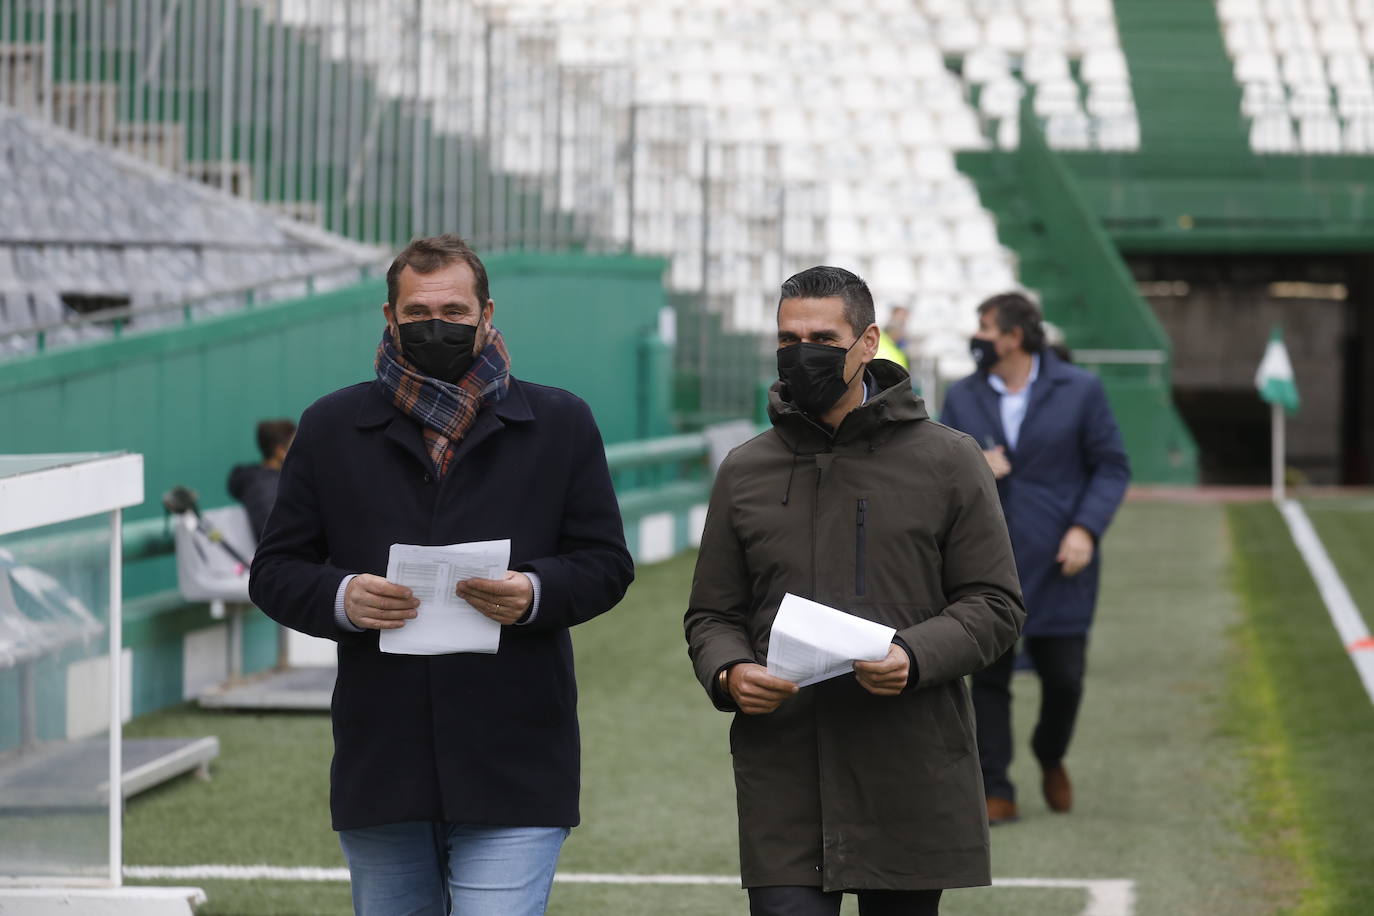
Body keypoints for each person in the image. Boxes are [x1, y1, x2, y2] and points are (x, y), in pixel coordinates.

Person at [248, 234, 634, 916]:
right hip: (382, 759)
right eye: (419, 311)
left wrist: (534, 592)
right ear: (389, 317)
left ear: (488, 314)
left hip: (517, 755)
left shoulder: (560, 422)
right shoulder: (332, 426)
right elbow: (275, 571)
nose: (437, 325)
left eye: (455, 311)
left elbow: (605, 564)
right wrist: (342, 597)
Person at [684, 266, 1025, 916]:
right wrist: (728, 671)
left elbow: (996, 604)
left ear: (867, 342)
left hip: (910, 766)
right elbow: (712, 613)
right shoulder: (745, 470)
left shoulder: (950, 461)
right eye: (788, 338)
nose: (801, 353)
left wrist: (913, 655)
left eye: (821, 336)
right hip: (784, 769)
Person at [939, 292, 1130, 826]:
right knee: (989, 679)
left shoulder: (1081, 390)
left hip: (1061, 560)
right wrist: (975, 464)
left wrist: (1085, 530)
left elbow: (1111, 466)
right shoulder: (962, 396)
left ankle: (1050, 755)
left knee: (1064, 679)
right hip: (984, 562)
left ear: (1014, 336)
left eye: (984, 327)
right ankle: (996, 787)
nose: (977, 338)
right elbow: (935, 467)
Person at [226, 418, 296, 541]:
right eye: (295, 445)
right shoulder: (266, 487)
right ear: (280, 451)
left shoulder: (270, 482)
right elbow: (278, 535)